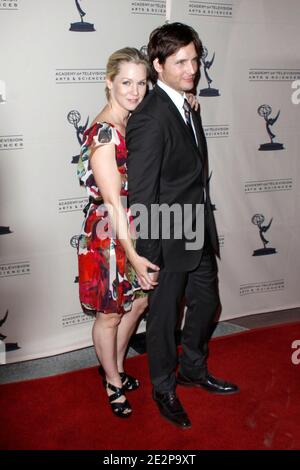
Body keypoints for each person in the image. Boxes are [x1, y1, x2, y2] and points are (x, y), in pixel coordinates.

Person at [127, 23, 239, 429]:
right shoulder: (150, 117)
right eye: (181, 61)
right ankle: (163, 386)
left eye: (195, 59)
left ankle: (192, 369)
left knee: (207, 303)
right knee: (161, 318)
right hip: (166, 235)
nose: (192, 68)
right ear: (158, 65)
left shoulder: (186, 105)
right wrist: (148, 255)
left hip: (197, 229)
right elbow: (141, 193)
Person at [77, 48, 160, 419]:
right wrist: (134, 254)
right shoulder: (106, 132)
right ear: (109, 82)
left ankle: (117, 367)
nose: (134, 90)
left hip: (131, 228)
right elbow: (112, 205)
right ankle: (112, 380)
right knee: (109, 315)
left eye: (141, 83)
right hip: (110, 235)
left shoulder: (132, 120)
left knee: (140, 301)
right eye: (126, 82)